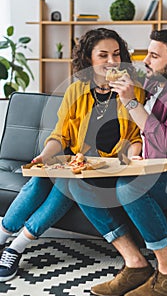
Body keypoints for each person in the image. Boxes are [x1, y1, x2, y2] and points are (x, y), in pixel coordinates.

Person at [67, 29, 167, 296]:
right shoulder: (159, 83)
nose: (144, 60)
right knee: (82, 183)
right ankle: (135, 263)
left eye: (153, 55)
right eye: (147, 52)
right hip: (156, 170)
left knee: (130, 187)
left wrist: (130, 102)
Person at [0, 27, 145, 282]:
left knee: (68, 184)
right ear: (88, 58)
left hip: (108, 169)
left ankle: (15, 247)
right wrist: (45, 156)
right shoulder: (76, 90)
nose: (112, 61)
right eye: (103, 55)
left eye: (116, 54)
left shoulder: (132, 91)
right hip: (77, 162)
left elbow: (135, 138)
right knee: (40, 179)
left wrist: (135, 156)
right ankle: (3, 238)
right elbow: (60, 136)